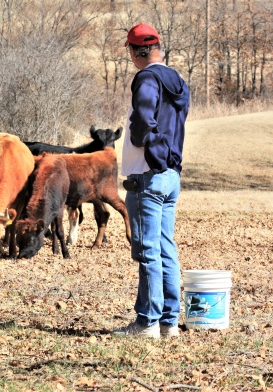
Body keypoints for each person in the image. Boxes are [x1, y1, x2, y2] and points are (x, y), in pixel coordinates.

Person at [114, 23, 190, 338]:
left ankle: (147, 323)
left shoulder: (146, 78)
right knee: (165, 248)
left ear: (135, 51)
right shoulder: (178, 81)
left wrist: (154, 155)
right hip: (171, 176)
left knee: (147, 250)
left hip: (149, 175)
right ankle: (169, 323)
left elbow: (144, 122)